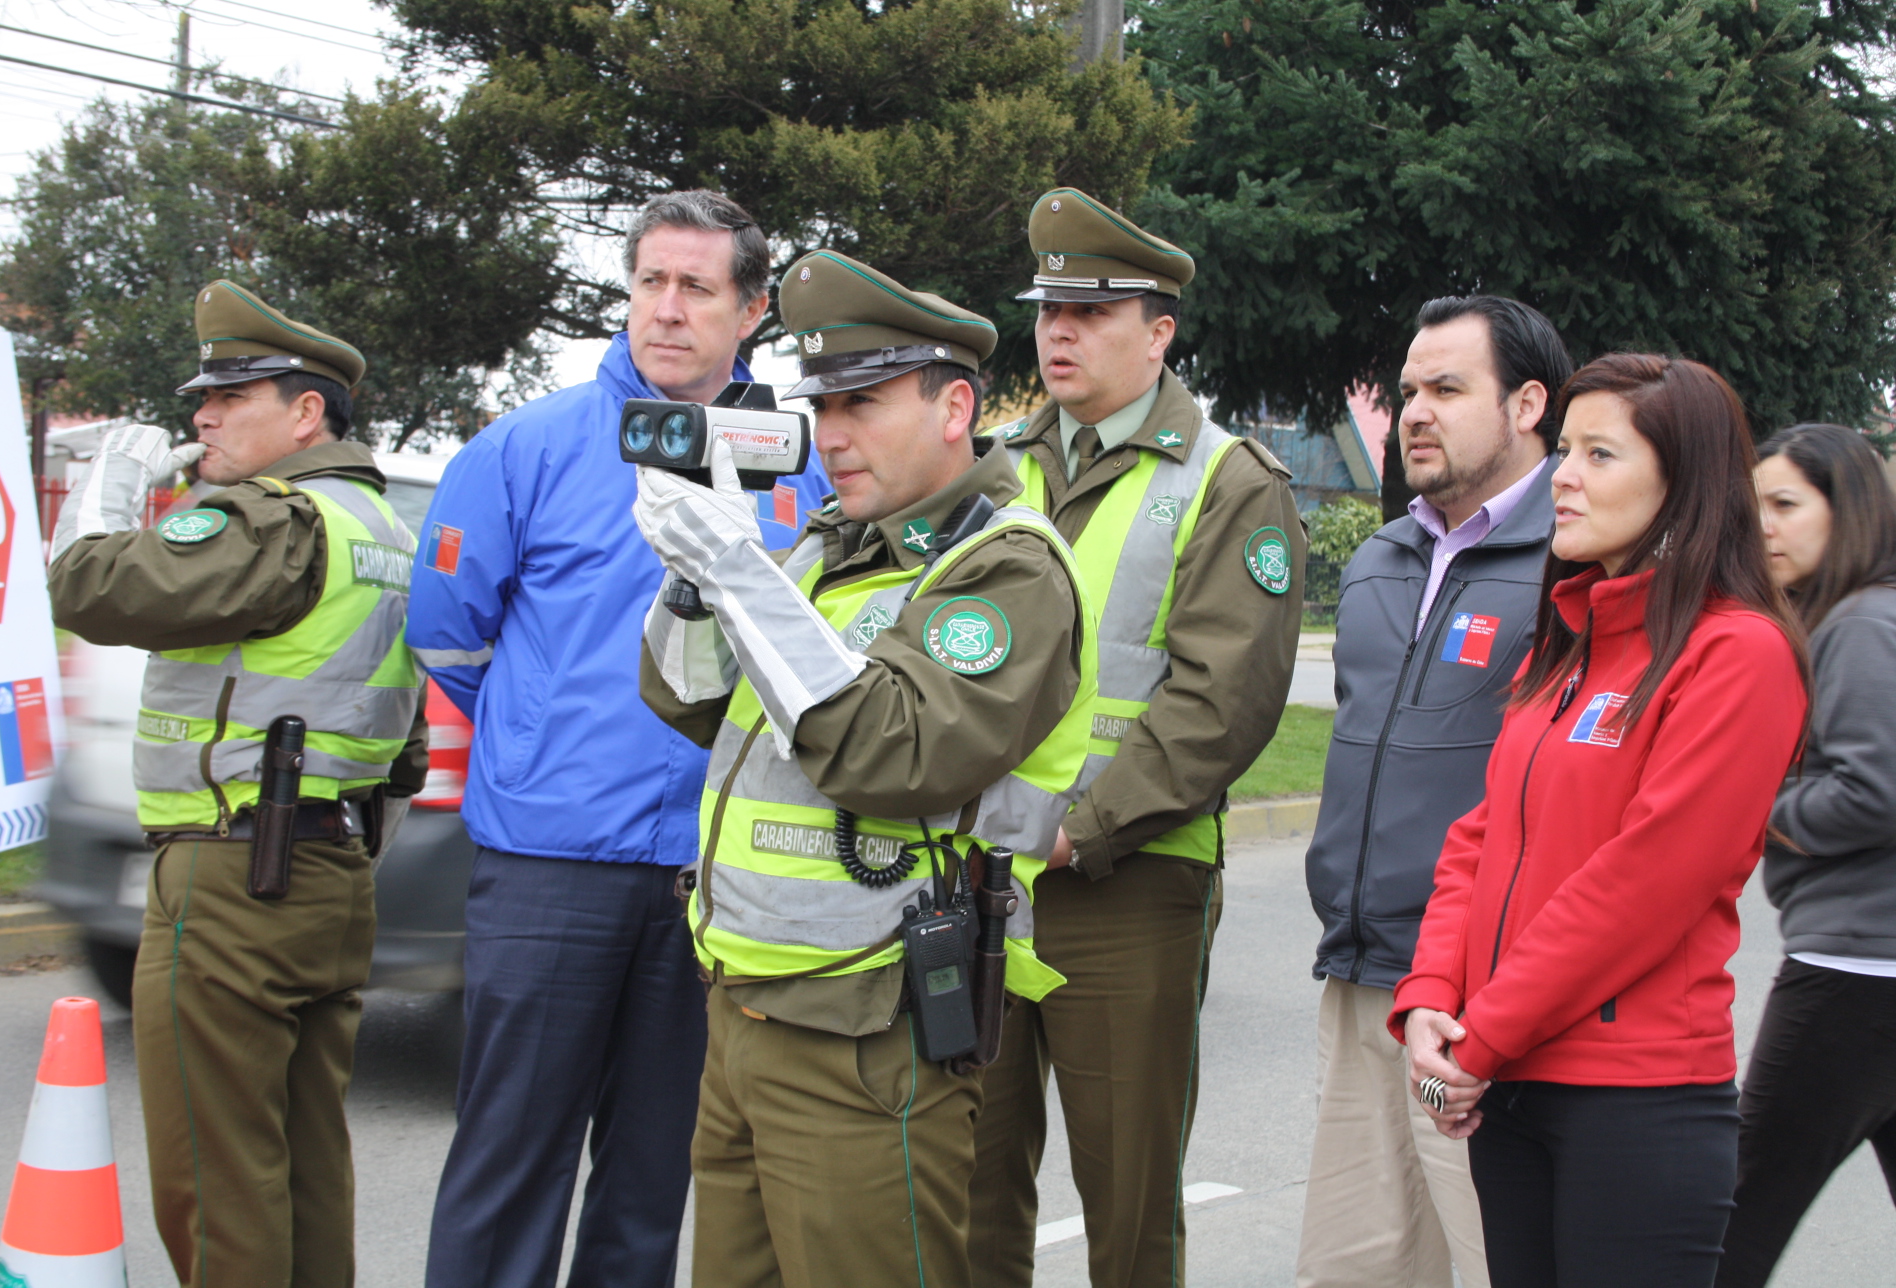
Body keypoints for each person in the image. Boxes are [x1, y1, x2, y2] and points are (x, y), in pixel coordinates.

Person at [637, 249, 1092, 1288]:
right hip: (745, 1005)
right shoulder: (830, 548)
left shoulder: (1003, 565)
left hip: (867, 1025)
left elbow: (897, 749)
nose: (830, 435)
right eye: (821, 405)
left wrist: (742, 574)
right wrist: (697, 582)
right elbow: (684, 697)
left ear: (955, 406)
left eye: (863, 403)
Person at [411, 190, 830, 1288]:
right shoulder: (527, 448)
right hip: (551, 866)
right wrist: (541, 746)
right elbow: (449, 639)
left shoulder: (799, 466)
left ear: (752, 311)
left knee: (651, 1184)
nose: (668, 308)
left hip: (713, 882)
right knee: (507, 1171)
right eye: (651, 281)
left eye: (698, 287)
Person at [1392, 354, 1808, 1287]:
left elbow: (1645, 885)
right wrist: (1430, 1001)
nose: (1564, 475)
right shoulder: (1571, 640)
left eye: (1599, 454)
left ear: (1684, 483)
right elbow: (1480, 839)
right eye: (1565, 448)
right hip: (1512, 1087)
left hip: (1636, 1107)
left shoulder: (1737, 652)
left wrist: (1479, 1040)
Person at [47, 281, 427, 1286]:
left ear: (307, 414)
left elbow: (85, 582)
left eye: (233, 397)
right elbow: (408, 747)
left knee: (217, 1179)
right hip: (330, 872)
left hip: (230, 878)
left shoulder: (274, 519)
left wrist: (110, 484)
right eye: (200, 399)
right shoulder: (381, 529)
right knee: (307, 1165)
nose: (201, 417)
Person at [963, 186, 1306, 1288]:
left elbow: (1222, 702)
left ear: (1158, 333)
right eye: (1048, 312)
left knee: (1126, 1208)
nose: (1058, 333)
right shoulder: (993, 464)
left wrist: (1078, 830)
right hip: (970, 876)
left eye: (1091, 314)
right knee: (969, 1185)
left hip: (1123, 881)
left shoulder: (1226, 478)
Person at [1296, 296, 1571, 1288]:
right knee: (1351, 1270)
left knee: (1504, 1259)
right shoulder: (1378, 559)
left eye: (1447, 389)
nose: (1415, 410)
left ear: (1527, 404)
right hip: (1363, 971)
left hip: (1484, 999)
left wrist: (1503, 982)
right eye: (1409, 389)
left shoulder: (1570, 562)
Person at [1715, 424, 1896, 1287]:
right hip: (1873, 966)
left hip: (1852, 970)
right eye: (1755, 510)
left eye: (1786, 505)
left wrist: (1750, 803)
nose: (1766, 529)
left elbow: (1872, 791)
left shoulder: (1861, 624)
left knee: (1734, 1222)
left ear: (1851, 511)